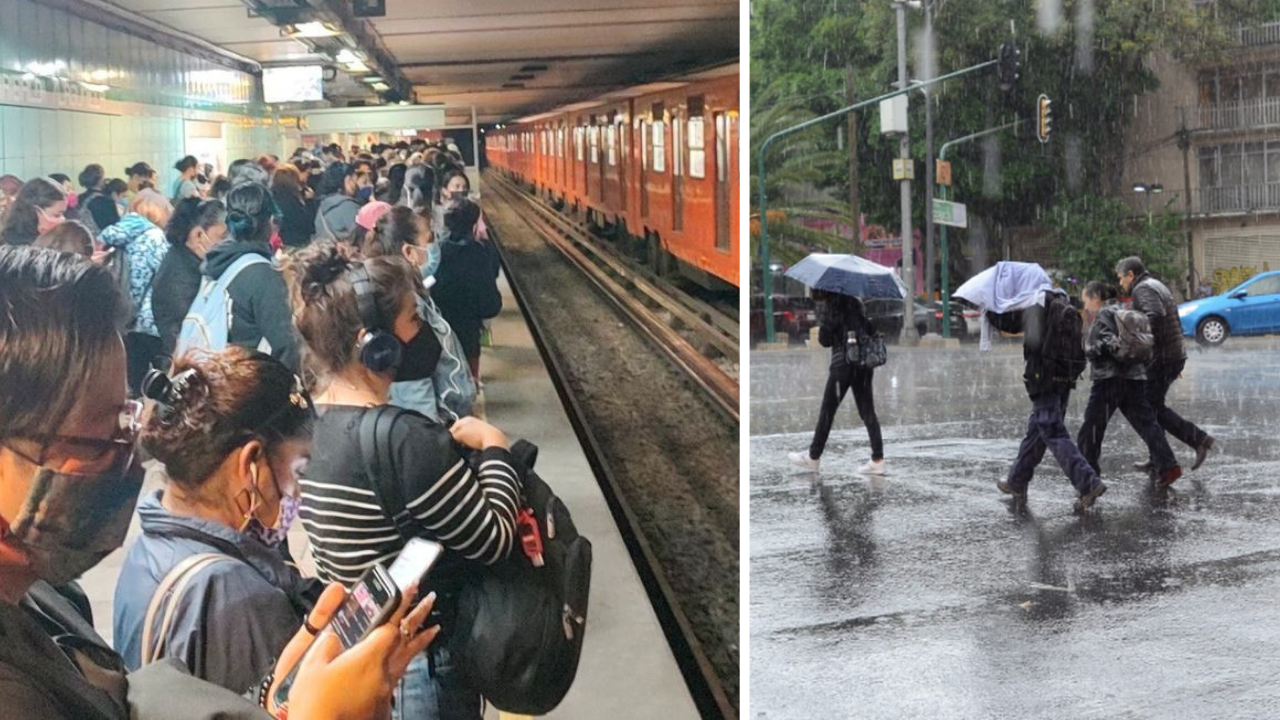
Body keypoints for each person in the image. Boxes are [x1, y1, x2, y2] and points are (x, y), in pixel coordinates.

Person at [0, 243, 437, 720]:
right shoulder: (14, 694)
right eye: (101, 435)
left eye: (126, 420)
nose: (129, 451)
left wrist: (267, 703)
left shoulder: (43, 596)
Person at [287, 241, 520, 719]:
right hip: (423, 662)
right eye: (414, 319)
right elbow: (495, 538)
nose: (423, 331)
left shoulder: (308, 426)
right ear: (375, 345)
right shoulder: (404, 439)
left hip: (358, 655)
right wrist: (496, 447)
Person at [114, 348, 319, 694]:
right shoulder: (237, 597)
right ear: (250, 462)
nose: (297, 492)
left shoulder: (149, 548)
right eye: (298, 469)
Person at [991, 288, 1108, 512]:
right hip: (1063, 376)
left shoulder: (1036, 303)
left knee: (1052, 431)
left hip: (1043, 376)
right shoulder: (1062, 303)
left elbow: (1010, 324)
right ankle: (1016, 481)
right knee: (1037, 430)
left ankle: (1088, 483)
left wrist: (989, 309)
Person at [363, 205, 475, 422]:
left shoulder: (408, 295)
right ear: (409, 252)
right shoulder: (407, 310)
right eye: (429, 239)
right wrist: (441, 434)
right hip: (440, 425)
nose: (434, 246)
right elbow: (415, 396)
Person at [1075, 281, 1182, 486]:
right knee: (1147, 424)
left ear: (1096, 297)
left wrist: (1090, 349)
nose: (1085, 306)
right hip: (1134, 377)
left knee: (1092, 428)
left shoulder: (1105, 313)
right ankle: (1169, 466)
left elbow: (1110, 345)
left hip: (1109, 379)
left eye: (1085, 300)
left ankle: (1087, 474)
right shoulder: (1128, 310)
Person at [1117, 257, 1217, 471]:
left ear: (1131, 275)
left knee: (1148, 406)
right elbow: (1171, 320)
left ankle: (1197, 439)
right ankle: (1159, 456)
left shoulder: (1142, 289)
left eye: (1121, 278)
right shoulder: (1156, 285)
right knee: (1151, 406)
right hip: (1169, 356)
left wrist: (1138, 343)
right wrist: (1173, 355)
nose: (1120, 283)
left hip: (1162, 359)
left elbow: (1154, 316)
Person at [199, 183, 300, 373]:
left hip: (220, 373)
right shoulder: (263, 276)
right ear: (270, 221)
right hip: (252, 379)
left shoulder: (215, 263)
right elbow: (286, 344)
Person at [787, 291, 885, 474]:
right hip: (863, 365)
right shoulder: (857, 306)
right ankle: (877, 459)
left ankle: (813, 457)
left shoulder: (832, 307)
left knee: (827, 411)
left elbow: (824, 340)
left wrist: (828, 326)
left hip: (842, 365)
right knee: (867, 412)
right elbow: (871, 330)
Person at [99, 189, 171, 395]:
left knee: (135, 379)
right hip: (150, 320)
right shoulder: (153, 237)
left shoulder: (117, 237)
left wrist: (124, 314)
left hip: (125, 321)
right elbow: (157, 276)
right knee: (161, 383)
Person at [432, 199, 502, 381]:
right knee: (467, 381)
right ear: (474, 225)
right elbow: (490, 304)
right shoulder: (479, 254)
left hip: (437, 335)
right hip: (468, 334)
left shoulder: (435, 252)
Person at [154, 198, 228, 356]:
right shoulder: (180, 277)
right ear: (198, 235)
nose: (228, 244)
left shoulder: (183, 260)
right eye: (223, 237)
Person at [0, 176, 67, 246]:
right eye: (57, 215)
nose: (63, 220)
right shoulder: (39, 249)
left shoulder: (7, 240)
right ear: (35, 213)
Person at [314, 162, 367, 243]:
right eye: (355, 180)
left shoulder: (323, 204)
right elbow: (363, 235)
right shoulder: (349, 206)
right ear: (347, 179)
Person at [271, 164, 315, 248]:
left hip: (279, 242)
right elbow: (307, 224)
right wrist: (310, 202)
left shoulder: (272, 197)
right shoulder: (293, 201)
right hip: (297, 242)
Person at [79, 164, 123, 231]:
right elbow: (115, 225)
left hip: (84, 235)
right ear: (99, 180)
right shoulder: (106, 201)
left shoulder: (80, 198)